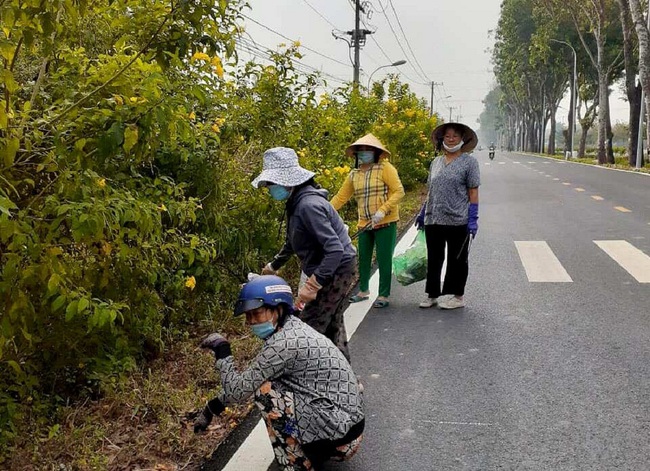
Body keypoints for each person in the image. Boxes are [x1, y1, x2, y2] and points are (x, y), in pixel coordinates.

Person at [193, 275, 365, 470]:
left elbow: (237, 391)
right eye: (248, 316)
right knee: (270, 383)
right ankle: (314, 451)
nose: (251, 322)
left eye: (257, 314)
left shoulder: (282, 345)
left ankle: (297, 464)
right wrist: (212, 407)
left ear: (279, 309)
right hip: (349, 424)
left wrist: (222, 349)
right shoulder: (294, 328)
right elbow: (252, 379)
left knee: (265, 393)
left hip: (342, 436)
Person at [253, 147, 357, 361]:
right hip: (328, 267)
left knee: (308, 330)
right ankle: (347, 381)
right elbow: (293, 239)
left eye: (271, 184)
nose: (269, 189)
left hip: (336, 270)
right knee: (333, 325)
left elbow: (335, 249)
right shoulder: (296, 202)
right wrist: (274, 265)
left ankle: (307, 382)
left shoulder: (308, 206)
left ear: (287, 182)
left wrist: (312, 285)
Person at [331, 133, 404, 309]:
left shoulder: (385, 168)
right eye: (360, 151)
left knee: (383, 258)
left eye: (368, 150)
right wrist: (324, 211)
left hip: (385, 221)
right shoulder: (354, 174)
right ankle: (363, 290)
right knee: (363, 257)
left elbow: (398, 191)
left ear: (376, 152)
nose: (364, 153)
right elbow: (341, 197)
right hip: (364, 223)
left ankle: (384, 294)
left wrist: (382, 210)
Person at [416, 122, 480, 310]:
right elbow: (431, 190)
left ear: (462, 139)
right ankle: (432, 294)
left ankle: (457, 296)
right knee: (434, 258)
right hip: (434, 217)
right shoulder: (435, 163)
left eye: (455, 136)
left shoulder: (469, 162)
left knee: (457, 259)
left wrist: (473, 218)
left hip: (458, 218)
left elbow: (473, 192)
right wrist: (422, 213)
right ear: (441, 139)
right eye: (447, 136)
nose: (451, 139)